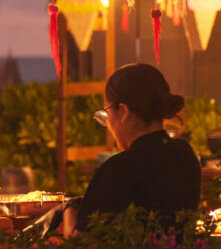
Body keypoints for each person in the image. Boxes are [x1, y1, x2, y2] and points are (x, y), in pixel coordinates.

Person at [75, 63, 201, 232]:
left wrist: (68, 210)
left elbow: (81, 244)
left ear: (123, 111)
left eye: (107, 111)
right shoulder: (184, 154)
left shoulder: (119, 169)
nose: (108, 124)